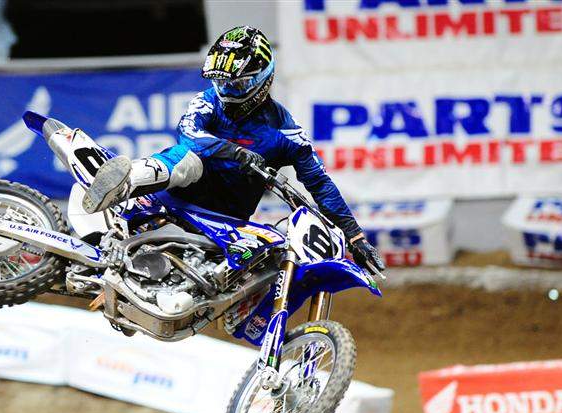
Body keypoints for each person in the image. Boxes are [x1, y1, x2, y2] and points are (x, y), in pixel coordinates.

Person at [83, 26, 385, 274]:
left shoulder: (286, 133)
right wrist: (235, 152)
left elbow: (320, 183)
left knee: (271, 257)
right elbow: (188, 134)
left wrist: (355, 237)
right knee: (189, 159)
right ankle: (122, 184)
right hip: (173, 200)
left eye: (238, 85)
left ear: (264, 79)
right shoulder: (208, 101)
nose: (228, 92)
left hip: (227, 224)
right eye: (222, 83)